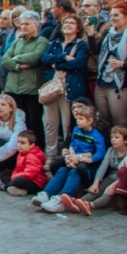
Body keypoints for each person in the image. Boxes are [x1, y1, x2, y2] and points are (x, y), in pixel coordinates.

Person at [33, 106, 106, 213]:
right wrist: (71, 150)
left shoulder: (96, 136)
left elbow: (100, 152)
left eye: (81, 119)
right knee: (62, 170)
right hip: (74, 159)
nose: (78, 121)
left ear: (90, 121)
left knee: (74, 173)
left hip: (86, 165)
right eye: (77, 119)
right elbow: (73, 141)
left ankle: (61, 199)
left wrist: (90, 159)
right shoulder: (76, 130)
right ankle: (46, 193)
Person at [40, 16, 89, 158]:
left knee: (67, 123)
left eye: (71, 23)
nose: (67, 25)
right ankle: (50, 155)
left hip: (70, 88)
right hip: (52, 87)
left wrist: (56, 64)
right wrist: (63, 57)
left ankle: (66, 154)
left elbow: (78, 63)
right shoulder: (55, 43)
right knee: (50, 123)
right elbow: (45, 59)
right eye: (65, 22)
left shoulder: (81, 45)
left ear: (78, 28)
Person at [2, 11, 49, 151]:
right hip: (13, 88)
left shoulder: (42, 41)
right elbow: (4, 60)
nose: (23, 26)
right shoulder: (17, 41)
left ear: (36, 25)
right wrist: (17, 65)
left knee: (33, 122)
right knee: (17, 123)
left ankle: (37, 151)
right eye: (22, 24)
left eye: (27, 24)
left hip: (31, 88)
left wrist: (15, 59)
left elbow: (35, 57)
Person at [65, 125, 127, 216]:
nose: (113, 140)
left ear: (126, 140)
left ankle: (91, 205)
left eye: (117, 137)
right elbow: (103, 166)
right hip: (112, 176)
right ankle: (78, 202)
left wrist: (114, 185)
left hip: (123, 179)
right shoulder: (111, 150)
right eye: (112, 137)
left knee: (108, 192)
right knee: (96, 190)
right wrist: (96, 183)